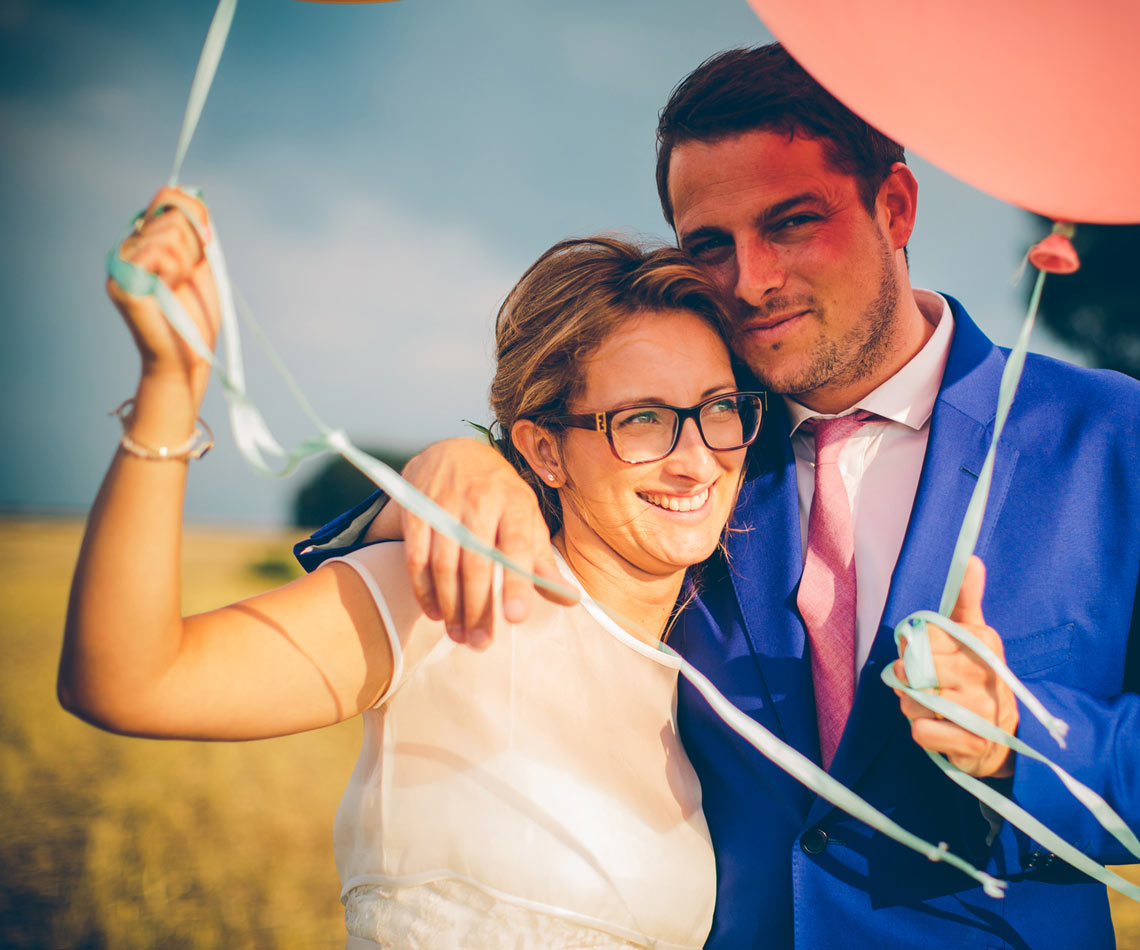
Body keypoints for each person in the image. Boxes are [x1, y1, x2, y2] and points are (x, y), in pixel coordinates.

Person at [298, 45, 1140, 949]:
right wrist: (447, 467)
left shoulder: (1118, 437)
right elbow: (528, 500)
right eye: (710, 244)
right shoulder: (688, 443)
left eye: (793, 223)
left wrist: (1023, 736)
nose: (749, 280)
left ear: (895, 207)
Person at [60, 203, 767, 948]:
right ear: (545, 451)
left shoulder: (703, 693)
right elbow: (128, 679)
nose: (696, 459)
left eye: (718, 408)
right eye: (644, 419)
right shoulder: (445, 600)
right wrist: (171, 384)